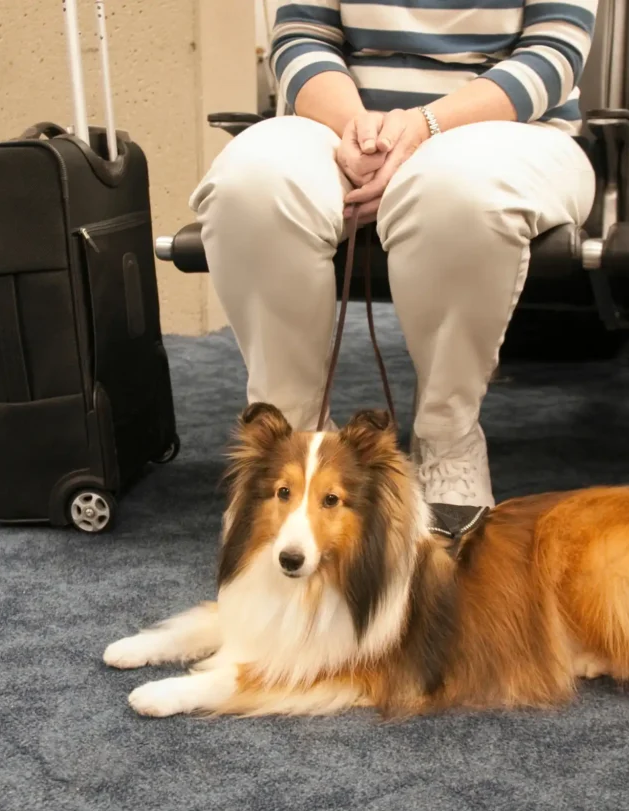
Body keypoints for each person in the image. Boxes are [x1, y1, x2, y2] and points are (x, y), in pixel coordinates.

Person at [188, 1, 598, 507]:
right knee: (249, 187)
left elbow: (552, 56)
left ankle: (447, 438)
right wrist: (364, 133)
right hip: (342, 124)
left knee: (457, 193)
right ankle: (292, 442)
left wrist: (423, 129)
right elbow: (302, 39)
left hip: (514, 129)